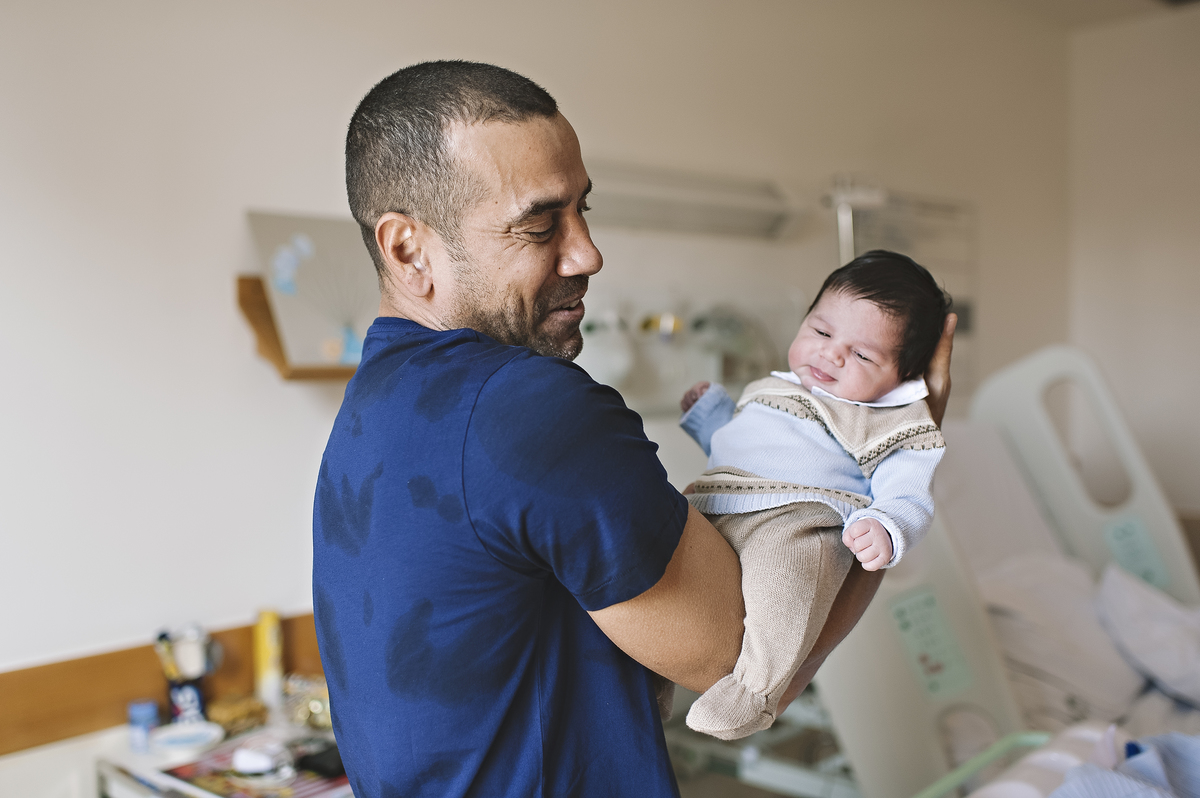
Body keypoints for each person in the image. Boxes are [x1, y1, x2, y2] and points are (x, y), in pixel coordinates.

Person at [312, 60, 956, 798]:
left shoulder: (372, 403)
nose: (587, 252)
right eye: (540, 222)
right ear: (408, 250)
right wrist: (889, 455)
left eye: (584, 209)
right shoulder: (531, 407)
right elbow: (742, 664)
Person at [676, 250, 950, 740]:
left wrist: (888, 526)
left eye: (863, 354)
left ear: (902, 377)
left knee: (786, 589)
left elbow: (908, 488)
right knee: (659, 556)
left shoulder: (886, 420)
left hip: (798, 521)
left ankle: (754, 693)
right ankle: (646, 672)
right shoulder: (772, 388)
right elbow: (743, 448)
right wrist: (709, 417)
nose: (831, 354)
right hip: (716, 503)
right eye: (822, 332)